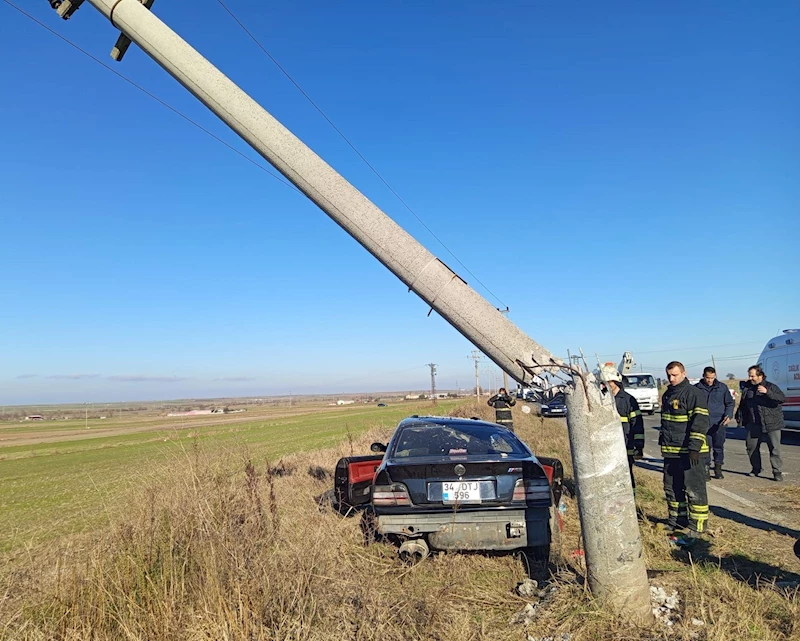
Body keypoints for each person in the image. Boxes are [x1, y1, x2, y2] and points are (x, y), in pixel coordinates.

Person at [660, 361, 710, 536]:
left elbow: (700, 421)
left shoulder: (693, 394)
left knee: (694, 489)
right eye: (669, 375)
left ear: (683, 373)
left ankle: (698, 526)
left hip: (691, 453)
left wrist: (694, 447)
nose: (671, 378)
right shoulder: (667, 394)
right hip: (672, 451)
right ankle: (677, 522)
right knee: (672, 488)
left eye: (674, 375)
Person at [735, 365, 786, 481]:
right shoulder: (747, 388)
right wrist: (739, 416)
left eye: (752, 376)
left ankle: (777, 471)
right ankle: (756, 468)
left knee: (774, 449)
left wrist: (767, 392)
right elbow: (743, 404)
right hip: (754, 423)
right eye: (749, 375)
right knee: (751, 447)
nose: (750, 378)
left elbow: (782, 398)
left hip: (772, 423)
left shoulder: (770, 386)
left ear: (760, 376)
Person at [600, 366, 644, 488]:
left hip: (626, 446)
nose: (605, 385)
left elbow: (637, 424)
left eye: (608, 382)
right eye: (603, 383)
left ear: (615, 381)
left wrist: (639, 446)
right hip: (607, 447)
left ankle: (631, 504)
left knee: (627, 477)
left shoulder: (628, 400)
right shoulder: (601, 399)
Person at [694, 367, 734, 480]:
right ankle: (706, 469)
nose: (710, 380)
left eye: (712, 378)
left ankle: (718, 469)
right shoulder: (697, 388)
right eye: (707, 378)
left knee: (718, 447)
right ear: (703, 376)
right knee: (706, 447)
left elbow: (730, 403)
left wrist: (728, 415)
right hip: (703, 423)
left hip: (719, 423)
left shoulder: (722, 387)